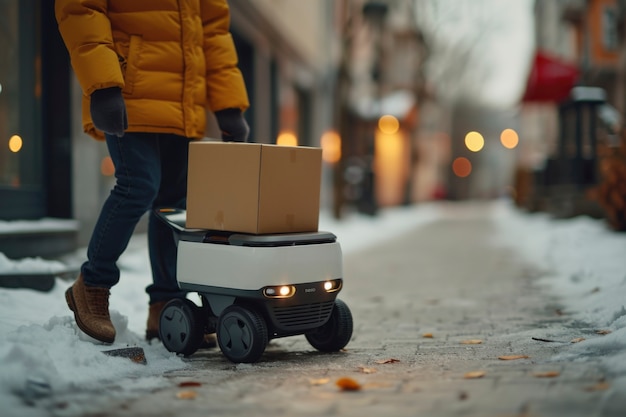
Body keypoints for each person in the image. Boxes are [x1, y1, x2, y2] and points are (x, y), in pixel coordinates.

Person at [55, 0, 250, 344]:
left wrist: (228, 103)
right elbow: (82, 10)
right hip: (128, 91)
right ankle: (93, 285)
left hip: (184, 100)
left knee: (172, 204)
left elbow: (213, 31)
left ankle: (165, 304)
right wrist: (103, 85)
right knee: (138, 185)